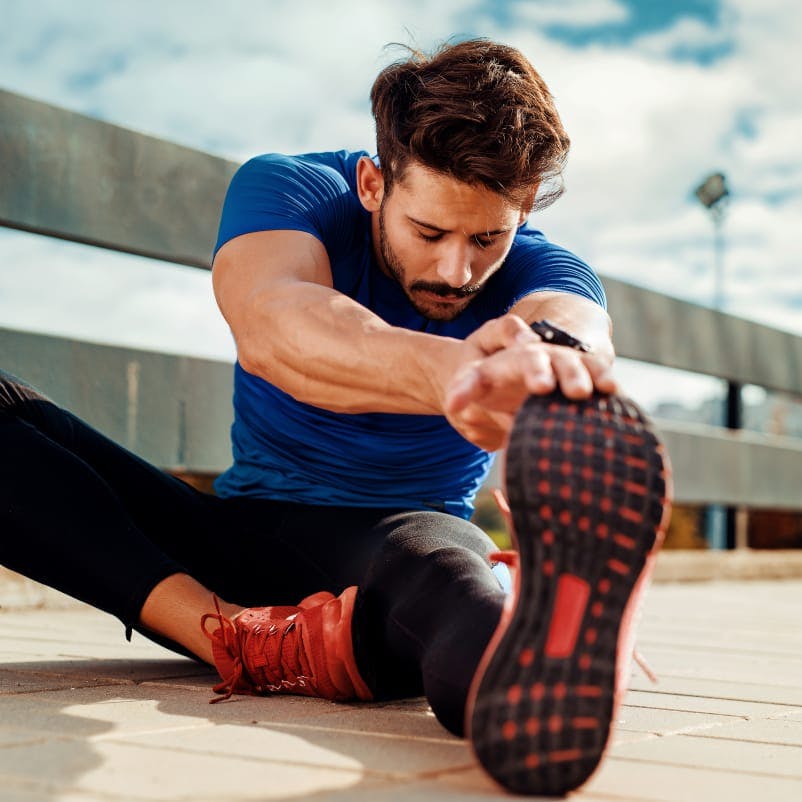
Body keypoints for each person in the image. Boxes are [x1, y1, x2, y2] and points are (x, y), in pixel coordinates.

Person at [0, 39, 671, 796]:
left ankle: (553, 657)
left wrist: (555, 370)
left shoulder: (547, 269)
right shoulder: (289, 192)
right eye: (430, 233)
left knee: (456, 594)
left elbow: (574, 326)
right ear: (373, 182)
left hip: (401, 546)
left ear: (523, 211)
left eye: (488, 238)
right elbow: (276, 324)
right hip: (236, 540)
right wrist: (460, 370)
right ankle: (235, 640)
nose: (458, 270)